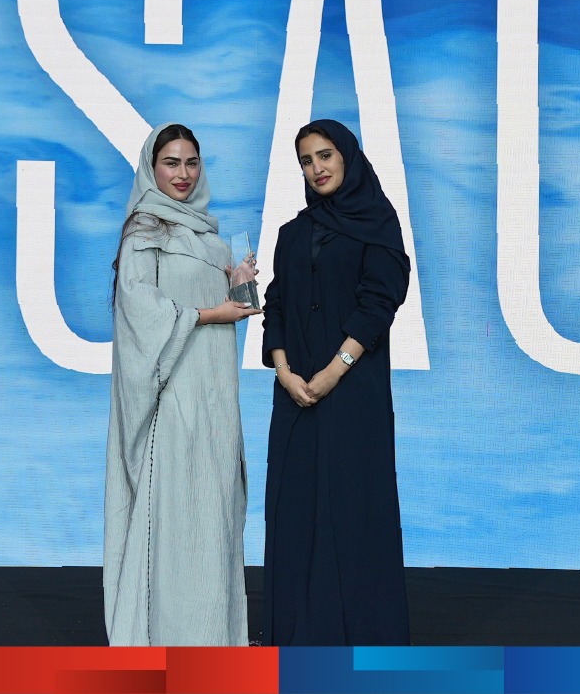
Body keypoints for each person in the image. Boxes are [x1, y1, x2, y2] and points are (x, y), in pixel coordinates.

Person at [104, 122, 260, 646]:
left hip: (215, 401)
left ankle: (214, 643)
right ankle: (170, 643)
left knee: (212, 517)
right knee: (174, 518)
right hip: (170, 401)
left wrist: (234, 281)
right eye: (171, 163)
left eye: (192, 162)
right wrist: (209, 312)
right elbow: (140, 310)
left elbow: (228, 307)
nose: (183, 174)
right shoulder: (144, 232)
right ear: (152, 168)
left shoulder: (211, 240)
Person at [260, 119, 412, 645]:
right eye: (306, 160)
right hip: (295, 393)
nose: (316, 168)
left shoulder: (379, 222)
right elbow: (276, 305)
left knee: (353, 507)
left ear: (347, 156)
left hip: (353, 391)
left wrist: (332, 371)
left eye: (325, 155)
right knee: (296, 510)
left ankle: (366, 642)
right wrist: (284, 371)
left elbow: (379, 303)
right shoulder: (292, 233)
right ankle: (297, 638)